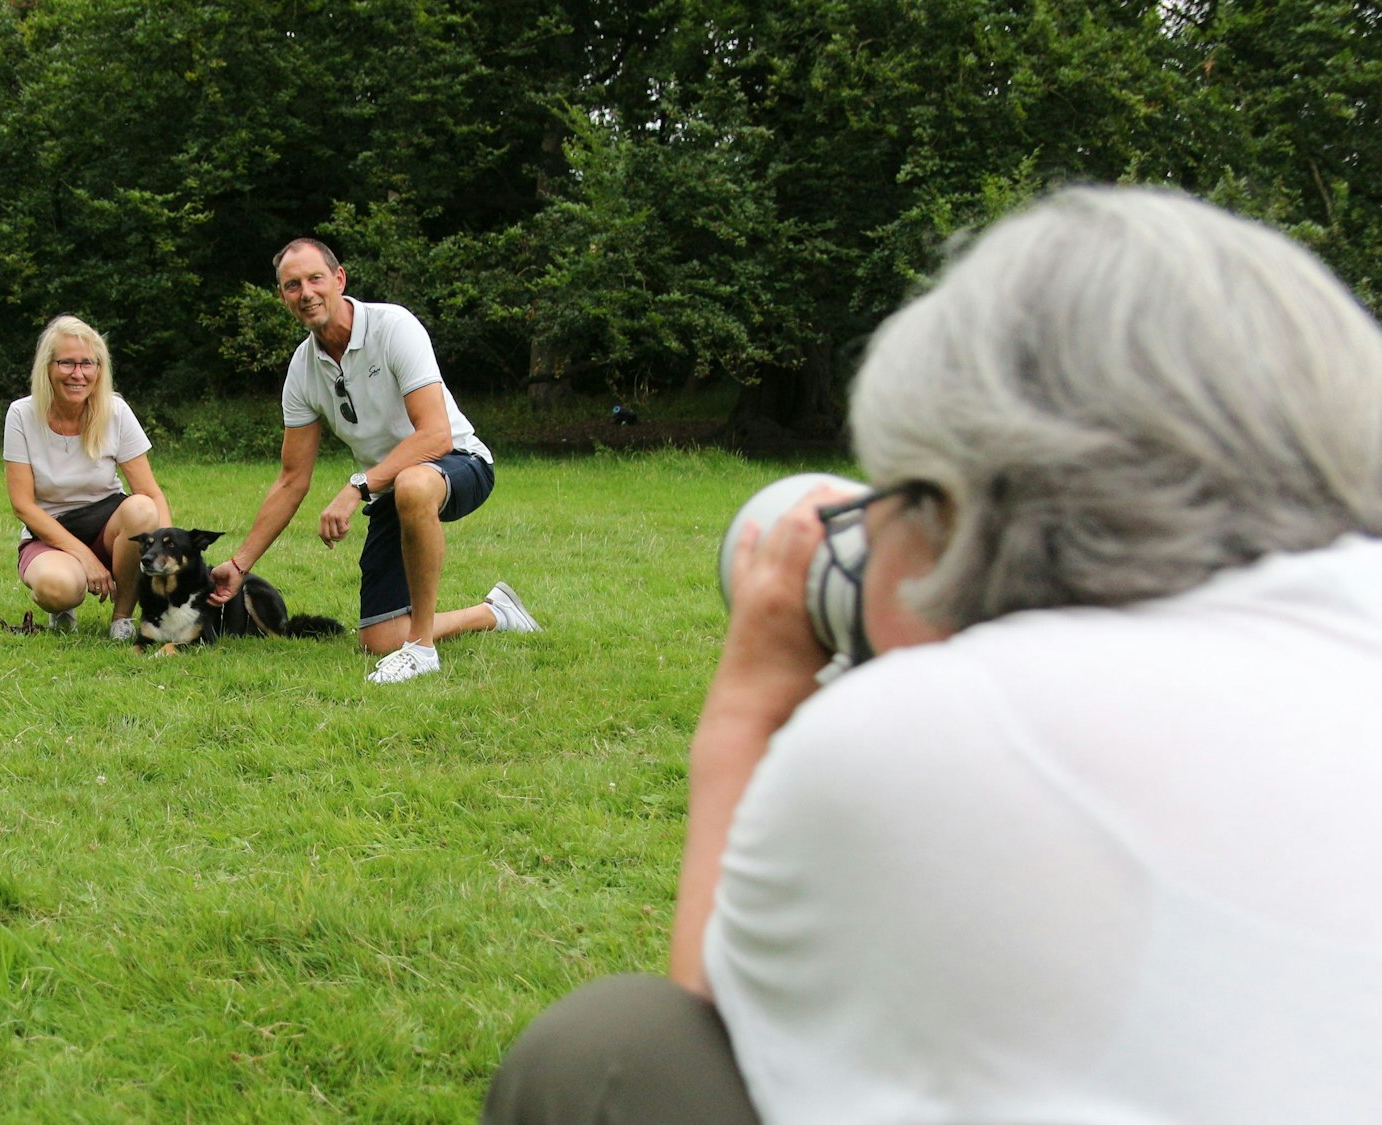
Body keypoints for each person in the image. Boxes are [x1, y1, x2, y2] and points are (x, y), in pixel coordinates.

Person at [483, 185, 1382, 1122]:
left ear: (960, 504)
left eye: (895, 491)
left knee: (611, 1049)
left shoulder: (946, 728)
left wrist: (751, 696)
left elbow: (726, 1024)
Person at [208, 238, 540, 684]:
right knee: (379, 641)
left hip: (459, 462)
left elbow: (436, 435)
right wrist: (239, 565)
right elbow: (291, 480)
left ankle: (422, 651)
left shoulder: (393, 326)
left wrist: (358, 487)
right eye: (292, 285)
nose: (306, 293)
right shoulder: (302, 370)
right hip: (389, 488)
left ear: (339, 279)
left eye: (315, 279)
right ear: (283, 296)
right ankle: (494, 613)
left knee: (414, 484)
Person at [3, 314, 170, 640]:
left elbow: (151, 493)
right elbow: (23, 505)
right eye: (67, 363)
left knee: (142, 508)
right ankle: (62, 607)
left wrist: (169, 555)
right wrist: (85, 557)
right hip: (50, 530)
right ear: (48, 367)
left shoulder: (116, 411)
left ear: (99, 369)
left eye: (87, 364)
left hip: (109, 526)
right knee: (57, 588)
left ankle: (122, 619)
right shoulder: (21, 414)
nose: (78, 374)